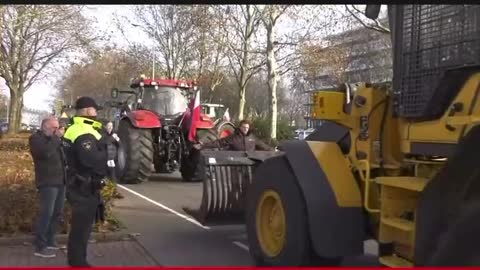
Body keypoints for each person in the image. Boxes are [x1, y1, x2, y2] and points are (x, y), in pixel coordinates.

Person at [62, 96, 108, 267]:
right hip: (84, 187)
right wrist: (106, 153)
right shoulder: (83, 131)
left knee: (81, 228)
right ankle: (77, 263)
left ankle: (77, 260)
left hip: (80, 185)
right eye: (95, 110)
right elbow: (90, 161)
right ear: (88, 110)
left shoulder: (78, 128)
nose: (96, 113)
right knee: (81, 229)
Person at [29, 116, 67, 258]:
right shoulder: (36, 139)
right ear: (45, 127)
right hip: (47, 181)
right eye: (54, 128)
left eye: (58, 127)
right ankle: (40, 246)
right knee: (46, 213)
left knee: (57, 212)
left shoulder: (55, 140)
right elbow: (45, 154)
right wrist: (56, 139)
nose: (57, 130)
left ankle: (50, 240)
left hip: (60, 180)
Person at [193, 119, 273, 151]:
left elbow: (263, 146)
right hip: (237, 164)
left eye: (247, 127)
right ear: (240, 127)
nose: (245, 129)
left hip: (250, 164)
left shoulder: (252, 138)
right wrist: (202, 146)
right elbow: (218, 143)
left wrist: (274, 150)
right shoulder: (233, 138)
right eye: (244, 127)